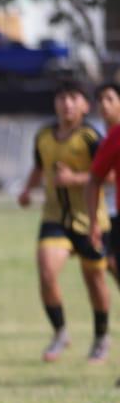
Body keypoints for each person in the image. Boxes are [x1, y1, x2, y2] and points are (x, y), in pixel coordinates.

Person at [18, 81, 110, 364]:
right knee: (46, 272)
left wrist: (74, 179)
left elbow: (109, 175)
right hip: (54, 217)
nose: (67, 103)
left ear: (85, 105)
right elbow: (39, 167)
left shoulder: (91, 138)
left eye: (73, 98)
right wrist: (26, 190)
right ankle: (60, 332)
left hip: (90, 220)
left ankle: (101, 337)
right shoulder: (44, 136)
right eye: (61, 98)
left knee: (94, 280)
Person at [85, 82, 120, 310]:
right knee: (107, 261)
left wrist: (71, 178)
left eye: (110, 99)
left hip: (112, 211)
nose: (104, 105)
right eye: (100, 100)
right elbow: (95, 178)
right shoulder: (106, 137)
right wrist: (94, 222)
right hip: (110, 212)